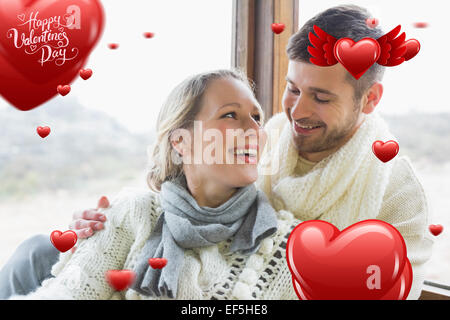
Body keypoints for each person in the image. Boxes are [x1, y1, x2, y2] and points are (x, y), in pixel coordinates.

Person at [1, 4, 433, 300]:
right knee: (39, 252)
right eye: (292, 88)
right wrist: (110, 220)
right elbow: (186, 191)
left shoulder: (396, 196)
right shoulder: (268, 138)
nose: (295, 111)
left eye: (320, 97)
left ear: (370, 99)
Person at [2, 69, 300, 300]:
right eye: (230, 115)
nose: (253, 129)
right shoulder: (132, 212)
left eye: (257, 117)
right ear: (181, 141)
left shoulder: (285, 247)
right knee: (34, 251)